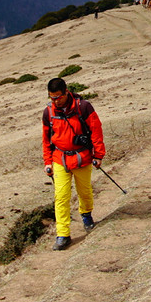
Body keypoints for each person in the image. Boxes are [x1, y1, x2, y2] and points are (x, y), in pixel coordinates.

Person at [42, 77, 106, 251]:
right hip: (59, 159)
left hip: (82, 157)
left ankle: (86, 215)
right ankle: (62, 234)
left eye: (58, 97)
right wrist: (47, 161)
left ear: (66, 92)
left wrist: (98, 155)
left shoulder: (83, 107)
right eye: (51, 97)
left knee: (84, 191)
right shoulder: (48, 112)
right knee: (60, 197)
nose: (55, 101)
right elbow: (46, 139)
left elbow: (96, 130)